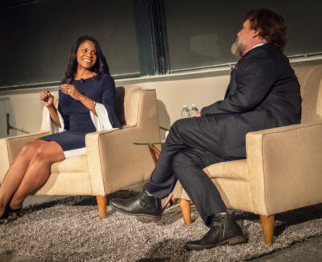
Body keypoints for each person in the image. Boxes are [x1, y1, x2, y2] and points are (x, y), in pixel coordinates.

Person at [110, 9, 301, 250]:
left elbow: (245, 100)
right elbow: (243, 101)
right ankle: (222, 224)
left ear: (257, 32)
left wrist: (205, 113)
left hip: (264, 131)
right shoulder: (259, 58)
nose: (238, 32)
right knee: (182, 158)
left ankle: (151, 197)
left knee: (180, 128)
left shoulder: (265, 55)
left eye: (243, 27)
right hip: (250, 130)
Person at [0, 35, 121, 232]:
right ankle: (5, 205)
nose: (89, 55)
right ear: (76, 54)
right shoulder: (66, 82)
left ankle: (10, 204)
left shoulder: (104, 81)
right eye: (85, 51)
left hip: (90, 135)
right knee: (29, 149)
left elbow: (110, 116)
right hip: (69, 132)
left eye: (94, 52)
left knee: (40, 154)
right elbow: (61, 122)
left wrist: (79, 96)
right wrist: (51, 107)